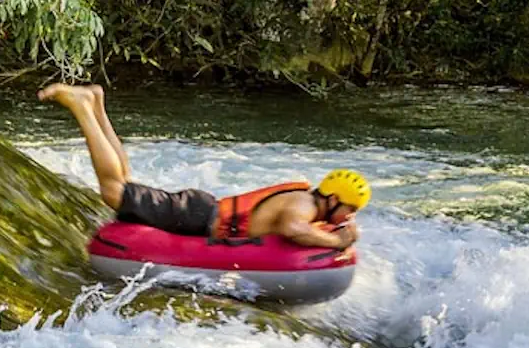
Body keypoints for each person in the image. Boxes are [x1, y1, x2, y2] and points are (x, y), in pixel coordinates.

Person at [37, 83, 369, 250]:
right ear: (333, 199)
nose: (349, 217)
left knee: (124, 181)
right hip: (197, 216)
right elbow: (292, 229)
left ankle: (97, 105)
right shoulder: (303, 206)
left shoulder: (309, 201)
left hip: (201, 210)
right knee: (115, 190)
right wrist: (338, 242)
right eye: (350, 210)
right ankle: (82, 107)